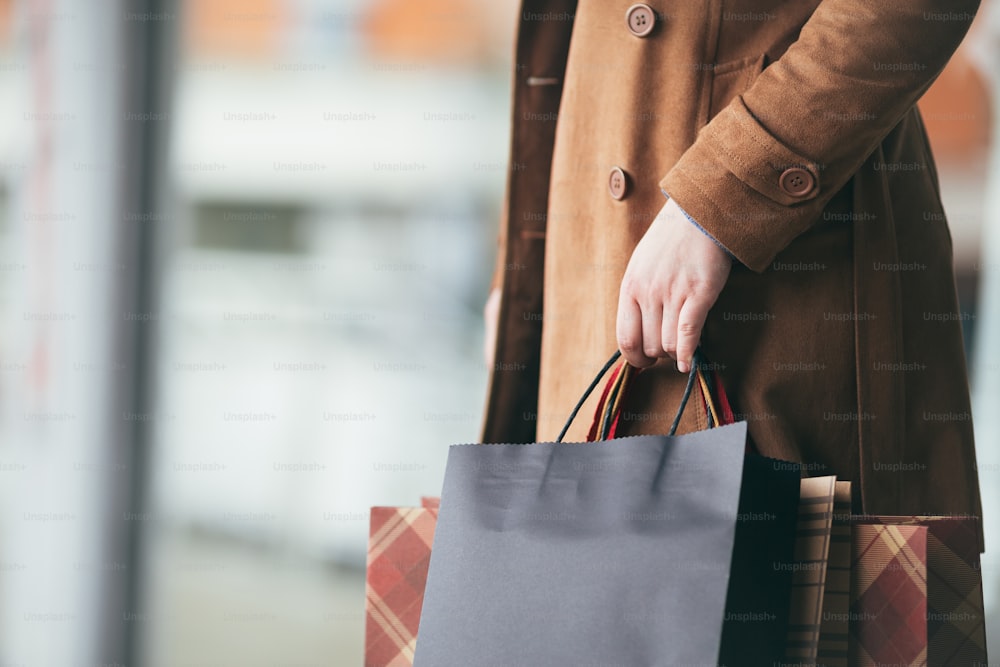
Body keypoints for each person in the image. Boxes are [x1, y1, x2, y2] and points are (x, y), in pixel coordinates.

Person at [482, 0, 983, 545]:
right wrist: (521, 278)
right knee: (573, 599)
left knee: (798, 608)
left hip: (782, 280)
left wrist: (719, 201)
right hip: (586, 271)